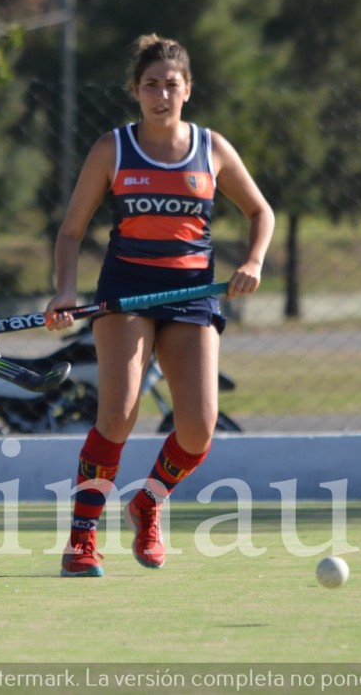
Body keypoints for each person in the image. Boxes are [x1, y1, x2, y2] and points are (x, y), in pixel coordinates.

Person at [46, 34, 275, 577]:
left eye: (171, 84)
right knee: (119, 411)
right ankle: (82, 538)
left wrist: (255, 262)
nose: (161, 94)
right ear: (136, 91)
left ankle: (147, 502)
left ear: (187, 90)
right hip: (125, 294)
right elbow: (71, 232)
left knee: (198, 426)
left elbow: (260, 212)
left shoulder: (212, 149)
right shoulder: (113, 148)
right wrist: (64, 289)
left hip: (192, 296)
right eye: (151, 84)